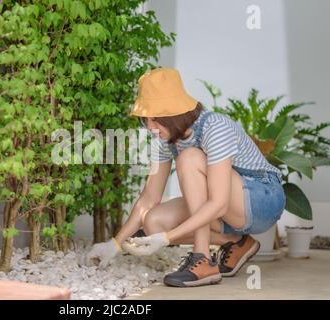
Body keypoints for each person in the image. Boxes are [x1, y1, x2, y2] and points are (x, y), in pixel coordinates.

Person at [86, 67, 286, 287]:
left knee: (189, 157)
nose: (150, 127)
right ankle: (237, 243)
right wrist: (115, 244)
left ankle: (202, 259)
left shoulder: (215, 126)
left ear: (174, 113)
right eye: (145, 120)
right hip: (227, 209)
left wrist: (167, 239)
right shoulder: (164, 139)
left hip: (262, 198)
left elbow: (218, 204)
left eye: (156, 118)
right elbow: (148, 199)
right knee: (154, 222)